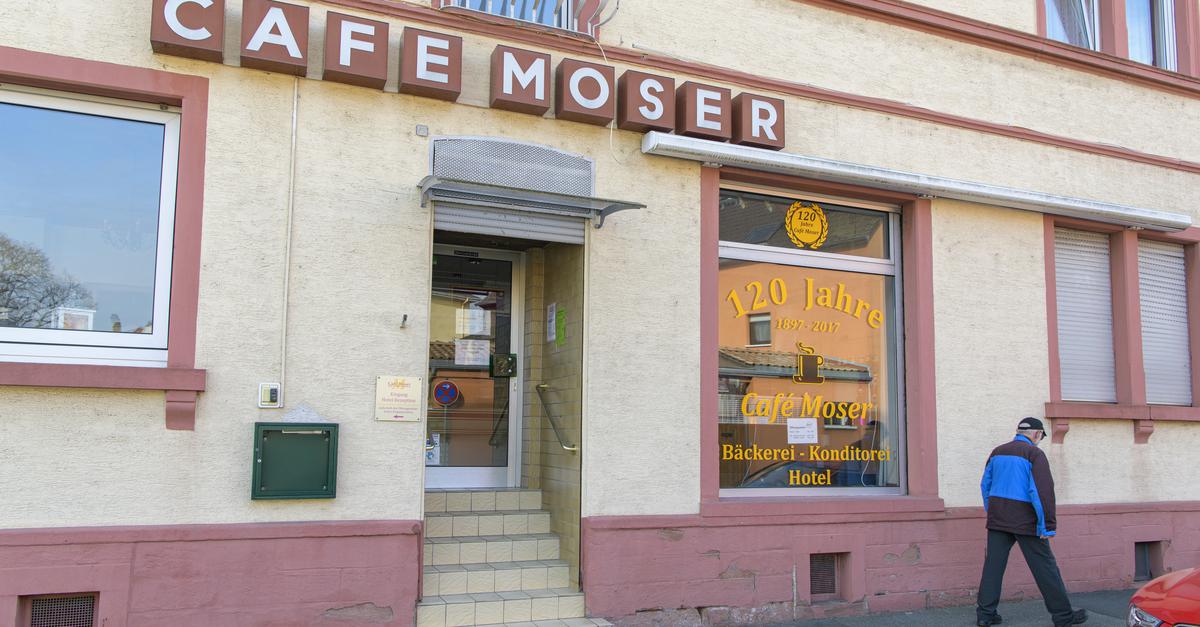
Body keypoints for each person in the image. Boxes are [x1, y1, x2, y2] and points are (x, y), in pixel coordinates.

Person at [976, 418, 1087, 627]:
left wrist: (992, 511)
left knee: (993, 567)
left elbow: (985, 485)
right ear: (1036, 434)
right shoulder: (1034, 454)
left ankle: (985, 615)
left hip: (998, 519)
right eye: (1041, 436)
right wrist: (1048, 526)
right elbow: (1042, 492)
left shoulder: (997, 452)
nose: (1040, 440)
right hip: (1026, 521)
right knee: (1045, 568)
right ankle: (1063, 616)